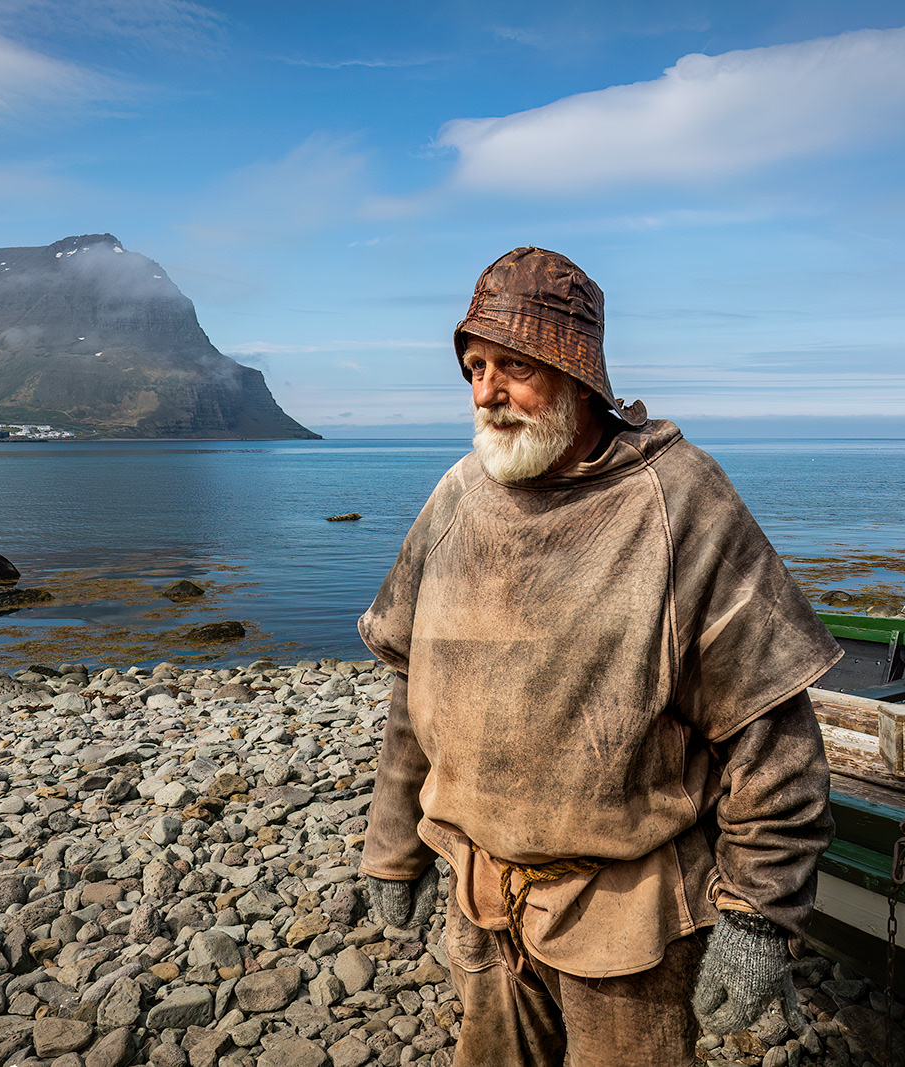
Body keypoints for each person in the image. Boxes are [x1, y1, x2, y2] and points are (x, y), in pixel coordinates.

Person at [357, 246, 842, 1067]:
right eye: (475, 368)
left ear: (578, 374)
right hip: (483, 906)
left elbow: (773, 736)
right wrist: (393, 849)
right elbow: (415, 695)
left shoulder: (678, 502)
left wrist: (758, 918)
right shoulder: (456, 499)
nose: (485, 392)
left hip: (629, 930)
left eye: (514, 365)